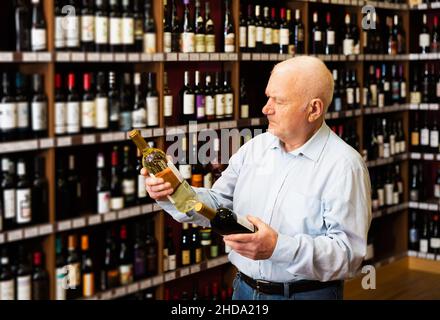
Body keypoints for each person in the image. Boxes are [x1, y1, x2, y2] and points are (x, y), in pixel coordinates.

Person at [140, 56, 372, 300]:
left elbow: (347, 256)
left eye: (279, 101)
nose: (266, 108)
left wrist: (277, 248)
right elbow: (219, 205)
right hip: (243, 289)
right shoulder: (256, 148)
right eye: (268, 97)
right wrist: (174, 191)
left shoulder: (344, 165)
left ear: (313, 109)